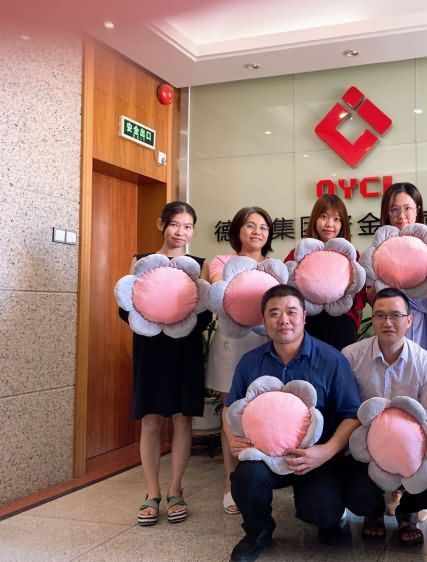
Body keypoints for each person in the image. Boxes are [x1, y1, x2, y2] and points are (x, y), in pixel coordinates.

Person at [224, 285, 361, 562]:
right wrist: (232, 438)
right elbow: (230, 407)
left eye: (291, 312)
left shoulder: (331, 360)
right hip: (265, 454)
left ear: (304, 316)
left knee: (322, 511)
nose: (283, 320)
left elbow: (352, 414)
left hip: (315, 457)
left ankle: (328, 518)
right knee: (245, 478)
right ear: (264, 320)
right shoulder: (250, 362)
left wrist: (325, 452)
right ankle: (258, 531)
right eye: (274, 313)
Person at [118, 201, 211, 526]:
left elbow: (205, 312)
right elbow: (126, 305)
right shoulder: (141, 262)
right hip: (150, 348)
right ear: (162, 224)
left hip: (185, 348)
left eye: (187, 226)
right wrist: (153, 315)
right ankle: (151, 492)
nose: (180, 232)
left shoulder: (199, 266)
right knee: (150, 419)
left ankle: (175, 490)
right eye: (175, 224)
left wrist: (178, 317)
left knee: (183, 419)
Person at [341, 288, 427, 545]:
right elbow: (345, 411)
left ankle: (407, 510)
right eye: (380, 315)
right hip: (365, 449)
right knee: (352, 489)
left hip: (412, 452)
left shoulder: (426, 363)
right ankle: (373, 511)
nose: (387, 322)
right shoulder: (351, 357)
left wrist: (413, 459)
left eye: (395, 315)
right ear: (373, 319)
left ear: (409, 320)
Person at [205, 206, 274, 515]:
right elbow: (220, 294)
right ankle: (230, 482)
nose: (257, 231)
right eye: (250, 225)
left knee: (265, 410)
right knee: (230, 412)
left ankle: (262, 478)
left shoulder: (273, 267)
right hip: (231, 344)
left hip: (265, 343)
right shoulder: (221, 262)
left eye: (263, 227)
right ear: (237, 230)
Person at [377, 182, 427, 392]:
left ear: (418, 209)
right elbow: (374, 298)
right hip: (391, 325)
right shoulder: (378, 251)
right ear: (387, 213)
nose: (401, 216)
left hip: (423, 326)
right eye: (394, 209)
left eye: (407, 208)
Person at [284, 194, 366, 350]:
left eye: (336, 219)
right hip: (307, 325)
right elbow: (286, 291)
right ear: (315, 220)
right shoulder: (298, 254)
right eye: (323, 217)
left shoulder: (352, 256)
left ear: (343, 224)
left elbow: (360, 298)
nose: (329, 224)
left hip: (342, 326)